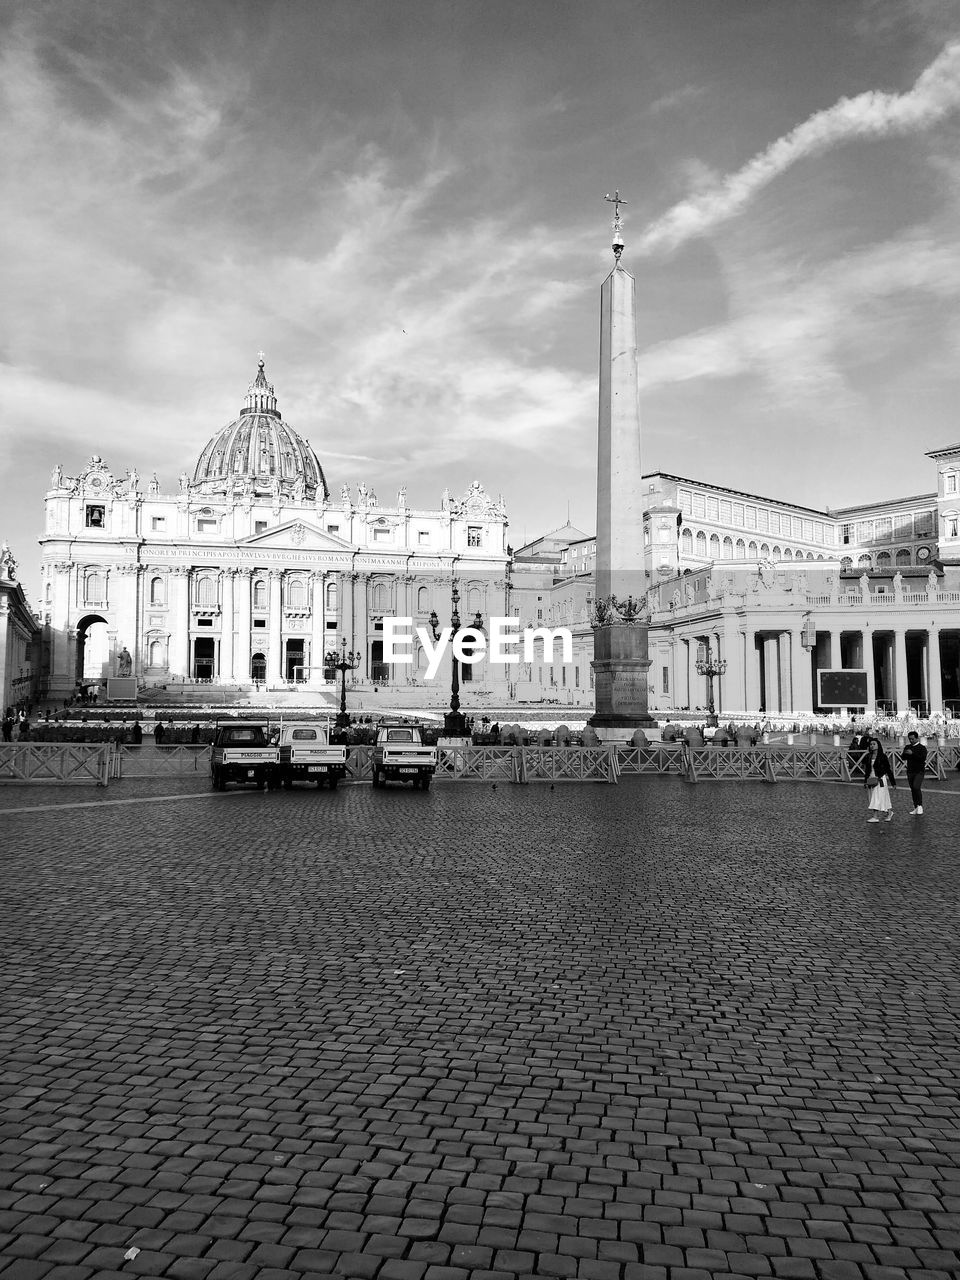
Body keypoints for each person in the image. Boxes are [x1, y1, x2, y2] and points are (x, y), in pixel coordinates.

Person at [863, 737, 896, 822]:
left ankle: (875, 816)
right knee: (876, 796)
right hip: (871, 778)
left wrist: (893, 782)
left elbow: (888, 769)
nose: (872, 746)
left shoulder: (883, 756)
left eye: (874, 744)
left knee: (877, 796)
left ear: (878, 745)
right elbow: (866, 769)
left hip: (880, 779)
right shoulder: (868, 756)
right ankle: (889, 812)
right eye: (870, 744)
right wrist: (865, 781)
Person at [902, 730, 928, 816]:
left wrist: (912, 754)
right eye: (909, 739)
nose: (911, 741)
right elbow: (903, 757)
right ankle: (915, 806)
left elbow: (922, 758)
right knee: (912, 789)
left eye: (912, 739)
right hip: (910, 770)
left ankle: (920, 805)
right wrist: (906, 753)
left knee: (916, 787)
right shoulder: (907, 746)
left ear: (917, 738)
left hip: (919, 770)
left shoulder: (922, 748)